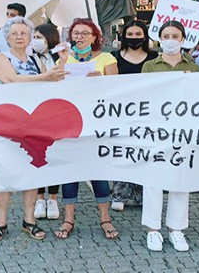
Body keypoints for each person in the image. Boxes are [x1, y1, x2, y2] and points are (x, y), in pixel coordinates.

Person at [0, 16, 68, 243]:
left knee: (32, 171)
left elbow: (53, 82)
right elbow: (10, 79)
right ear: (7, 37)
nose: (19, 37)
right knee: (4, 172)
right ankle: (1, 221)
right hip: (7, 123)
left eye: (23, 33)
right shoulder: (1, 58)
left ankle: (29, 220)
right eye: (14, 34)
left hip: (33, 124)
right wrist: (46, 76)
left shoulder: (37, 60)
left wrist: (62, 62)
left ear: (30, 36)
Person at [55, 18, 119, 241]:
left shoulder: (107, 58)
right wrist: (62, 62)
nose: (80, 37)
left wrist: (101, 80)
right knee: (70, 170)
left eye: (85, 33)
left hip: (96, 122)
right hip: (70, 121)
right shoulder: (65, 58)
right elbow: (53, 85)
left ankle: (105, 218)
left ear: (94, 37)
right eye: (76, 33)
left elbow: (117, 90)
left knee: (97, 170)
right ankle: (68, 218)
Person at [139, 21, 199, 252]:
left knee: (180, 177)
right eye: (166, 35)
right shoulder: (150, 66)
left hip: (184, 128)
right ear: (159, 38)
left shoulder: (194, 68)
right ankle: (153, 230)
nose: (171, 39)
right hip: (156, 128)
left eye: (175, 35)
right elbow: (144, 96)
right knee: (153, 178)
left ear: (183, 39)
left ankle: (176, 229)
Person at [110, 20, 158, 212]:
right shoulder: (115, 57)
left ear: (145, 36)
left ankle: (142, 194)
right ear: (123, 36)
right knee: (123, 151)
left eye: (138, 34)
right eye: (130, 34)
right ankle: (120, 194)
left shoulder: (154, 58)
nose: (134, 38)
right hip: (122, 113)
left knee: (145, 152)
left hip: (149, 112)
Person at [30, 23, 62, 220]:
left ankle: (53, 197)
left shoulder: (60, 57)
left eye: (40, 37)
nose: (36, 40)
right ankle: (39, 197)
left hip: (57, 111)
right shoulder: (30, 58)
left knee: (56, 154)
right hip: (36, 112)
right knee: (38, 154)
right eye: (35, 36)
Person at [0, 3, 26, 74]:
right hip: (4, 78)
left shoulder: (27, 35)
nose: (8, 17)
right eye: (7, 14)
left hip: (24, 76)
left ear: (20, 18)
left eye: (12, 15)